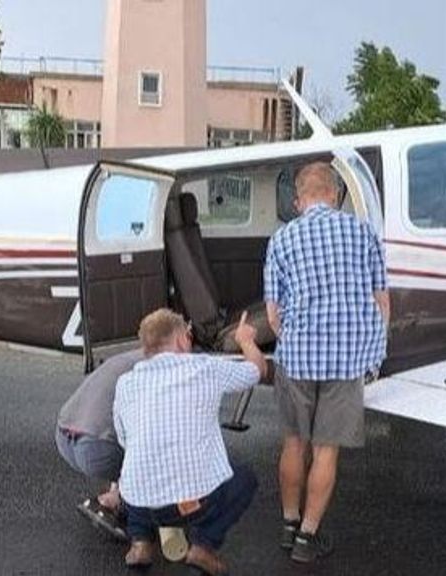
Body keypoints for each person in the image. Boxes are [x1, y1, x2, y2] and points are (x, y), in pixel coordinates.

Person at [264, 161, 391, 564]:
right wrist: (371, 348)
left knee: (293, 443)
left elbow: (273, 313)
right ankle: (307, 538)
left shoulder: (283, 239)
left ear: (299, 200)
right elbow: (382, 302)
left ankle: (287, 523)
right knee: (325, 451)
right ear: (336, 196)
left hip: (298, 358)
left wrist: (294, 340)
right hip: (346, 359)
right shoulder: (363, 232)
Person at [114, 309, 266, 575]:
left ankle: (140, 542)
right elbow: (257, 370)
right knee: (245, 479)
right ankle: (203, 545)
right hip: (191, 505)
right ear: (181, 340)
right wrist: (246, 341)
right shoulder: (204, 367)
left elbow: (124, 440)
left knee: (138, 471)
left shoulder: (126, 382)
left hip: (139, 504)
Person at [55, 348, 143, 540]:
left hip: (64, 435)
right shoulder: (162, 368)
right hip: (95, 449)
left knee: (120, 426)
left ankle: (115, 494)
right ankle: (128, 508)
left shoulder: (127, 357)